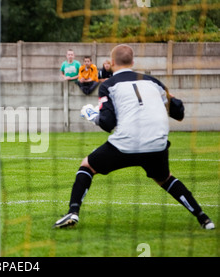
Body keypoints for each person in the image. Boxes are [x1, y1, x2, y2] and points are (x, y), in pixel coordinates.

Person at [54, 44, 215, 230]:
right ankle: (203, 218)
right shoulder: (153, 82)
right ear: (133, 62)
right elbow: (178, 111)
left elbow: (107, 123)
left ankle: (73, 212)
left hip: (126, 143)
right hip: (157, 143)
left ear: (112, 63)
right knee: (165, 179)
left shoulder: (108, 85)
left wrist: (93, 116)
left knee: (87, 165)